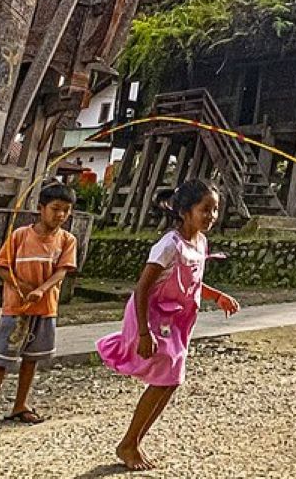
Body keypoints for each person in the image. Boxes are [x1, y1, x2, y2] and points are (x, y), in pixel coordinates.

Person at [95, 180, 240, 471]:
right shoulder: (168, 245)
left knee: (171, 380)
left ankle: (133, 441)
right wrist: (144, 332)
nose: (211, 216)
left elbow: (193, 279)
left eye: (215, 210)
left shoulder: (200, 241)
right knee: (166, 378)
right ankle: (129, 443)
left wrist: (216, 296)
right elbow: (142, 288)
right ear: (185, 212)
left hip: (176, 319)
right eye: (205, 209)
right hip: (152, 317)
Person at [0, 183, 79, 432]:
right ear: (41, 208)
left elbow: (62, 271)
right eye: (55, 209)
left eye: (66, 210)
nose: (61, 215)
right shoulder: (20, 235)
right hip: (16, 308)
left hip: (46, 308)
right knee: (0, 359)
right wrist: (20, 285)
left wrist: (42, 289)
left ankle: (20, 405)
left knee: (31, 360)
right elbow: (1, 266)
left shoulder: (67, 240)